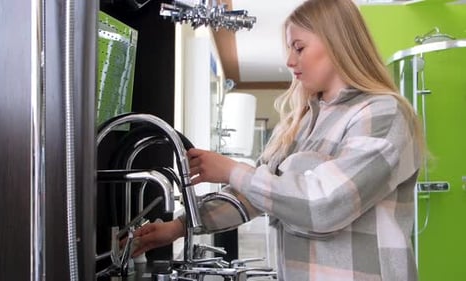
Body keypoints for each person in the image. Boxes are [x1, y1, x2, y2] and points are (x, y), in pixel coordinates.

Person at [132, 0, 424, 280]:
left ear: (338, 43)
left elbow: (323, 205)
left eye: (299, 47)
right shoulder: (305, 121)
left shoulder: (381, 114)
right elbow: (254, 196)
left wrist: (233, 170)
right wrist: (178, 227)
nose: (289, 60)